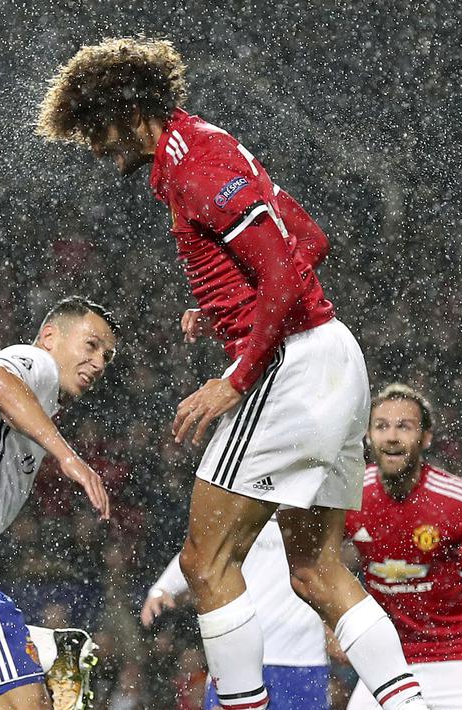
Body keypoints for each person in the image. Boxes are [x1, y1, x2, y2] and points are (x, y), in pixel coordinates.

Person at [37, 38, 430, 710]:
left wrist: (238, 373)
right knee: (315, 571)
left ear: (129, 111)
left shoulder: (195, 168)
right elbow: (308, 240)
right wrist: (226, 307)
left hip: (290, 365)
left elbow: (283, 270)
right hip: (333, 359)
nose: (96, 150)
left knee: (206, 562)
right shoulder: (207, 146)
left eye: (95, 132)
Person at [0, 296, 117, 710]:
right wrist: (68, 456)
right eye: (91, 345)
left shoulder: (41, 403)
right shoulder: (39, 365)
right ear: (49, 337)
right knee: (28, 702)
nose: (100, 362)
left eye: (107, 355)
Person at [345, 384, 462, 710]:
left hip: (460, 657)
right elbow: (323, 565)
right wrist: (332, 628)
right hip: (386, 660)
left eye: (404, 426)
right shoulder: (350, 494)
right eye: (382, 426)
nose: (392, 436)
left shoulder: (458, 499)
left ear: (426, 438)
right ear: (368, 436)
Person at [142, 518, 330, 709]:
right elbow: (204, 549)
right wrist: (164, 587)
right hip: (237, 657)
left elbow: (337, 561)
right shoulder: (243, 510)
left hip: (303, 657)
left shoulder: (314, 511)